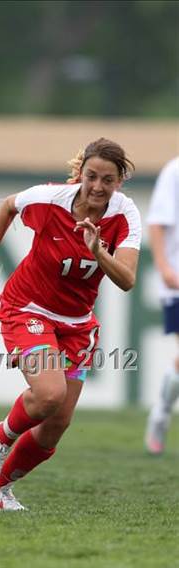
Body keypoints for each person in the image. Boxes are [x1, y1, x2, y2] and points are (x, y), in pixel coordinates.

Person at [0, 138, 142, 510]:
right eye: (92, 176)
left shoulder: (125, 214)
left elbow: (128, 279)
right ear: (80, 172)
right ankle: (0, 438)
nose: (98, 187)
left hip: (78, 324)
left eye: (108, 180)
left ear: (120, 181)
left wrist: (98, 250)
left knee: (55, 425)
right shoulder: (50, 199)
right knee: (49, 394)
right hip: (28, 308)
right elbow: (6, 207)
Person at [144, 157, 179, 455]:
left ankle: (162, 409)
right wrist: (164, 267)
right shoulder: (174, 170)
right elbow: (157, 222)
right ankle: (162, 412)